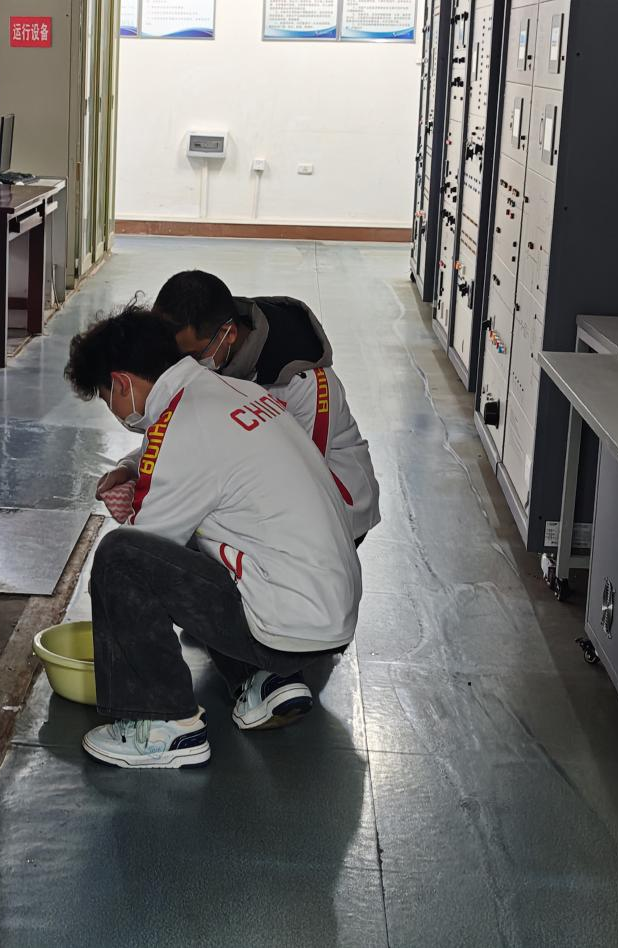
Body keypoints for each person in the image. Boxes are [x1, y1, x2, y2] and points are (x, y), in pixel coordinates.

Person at [65, 305, 362, 769]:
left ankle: (162, 724)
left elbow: (147, 550)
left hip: (289, 626)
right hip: (328, 612)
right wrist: (136, 471)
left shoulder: (180, 425)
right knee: (205, 533)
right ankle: (263, 681)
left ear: (122, 383)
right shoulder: (234, 389)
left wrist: (135, 504)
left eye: (108, 399)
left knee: (120, 557)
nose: (117, 412)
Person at [147, 270, 381, 544]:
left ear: (228, 334)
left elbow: (305, 476)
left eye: (193, 355)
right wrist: (135, 464)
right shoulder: (212, 353)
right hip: (259, 487)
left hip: (334, 510)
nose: (185, 366)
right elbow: (182, 427)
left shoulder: (305, 382)